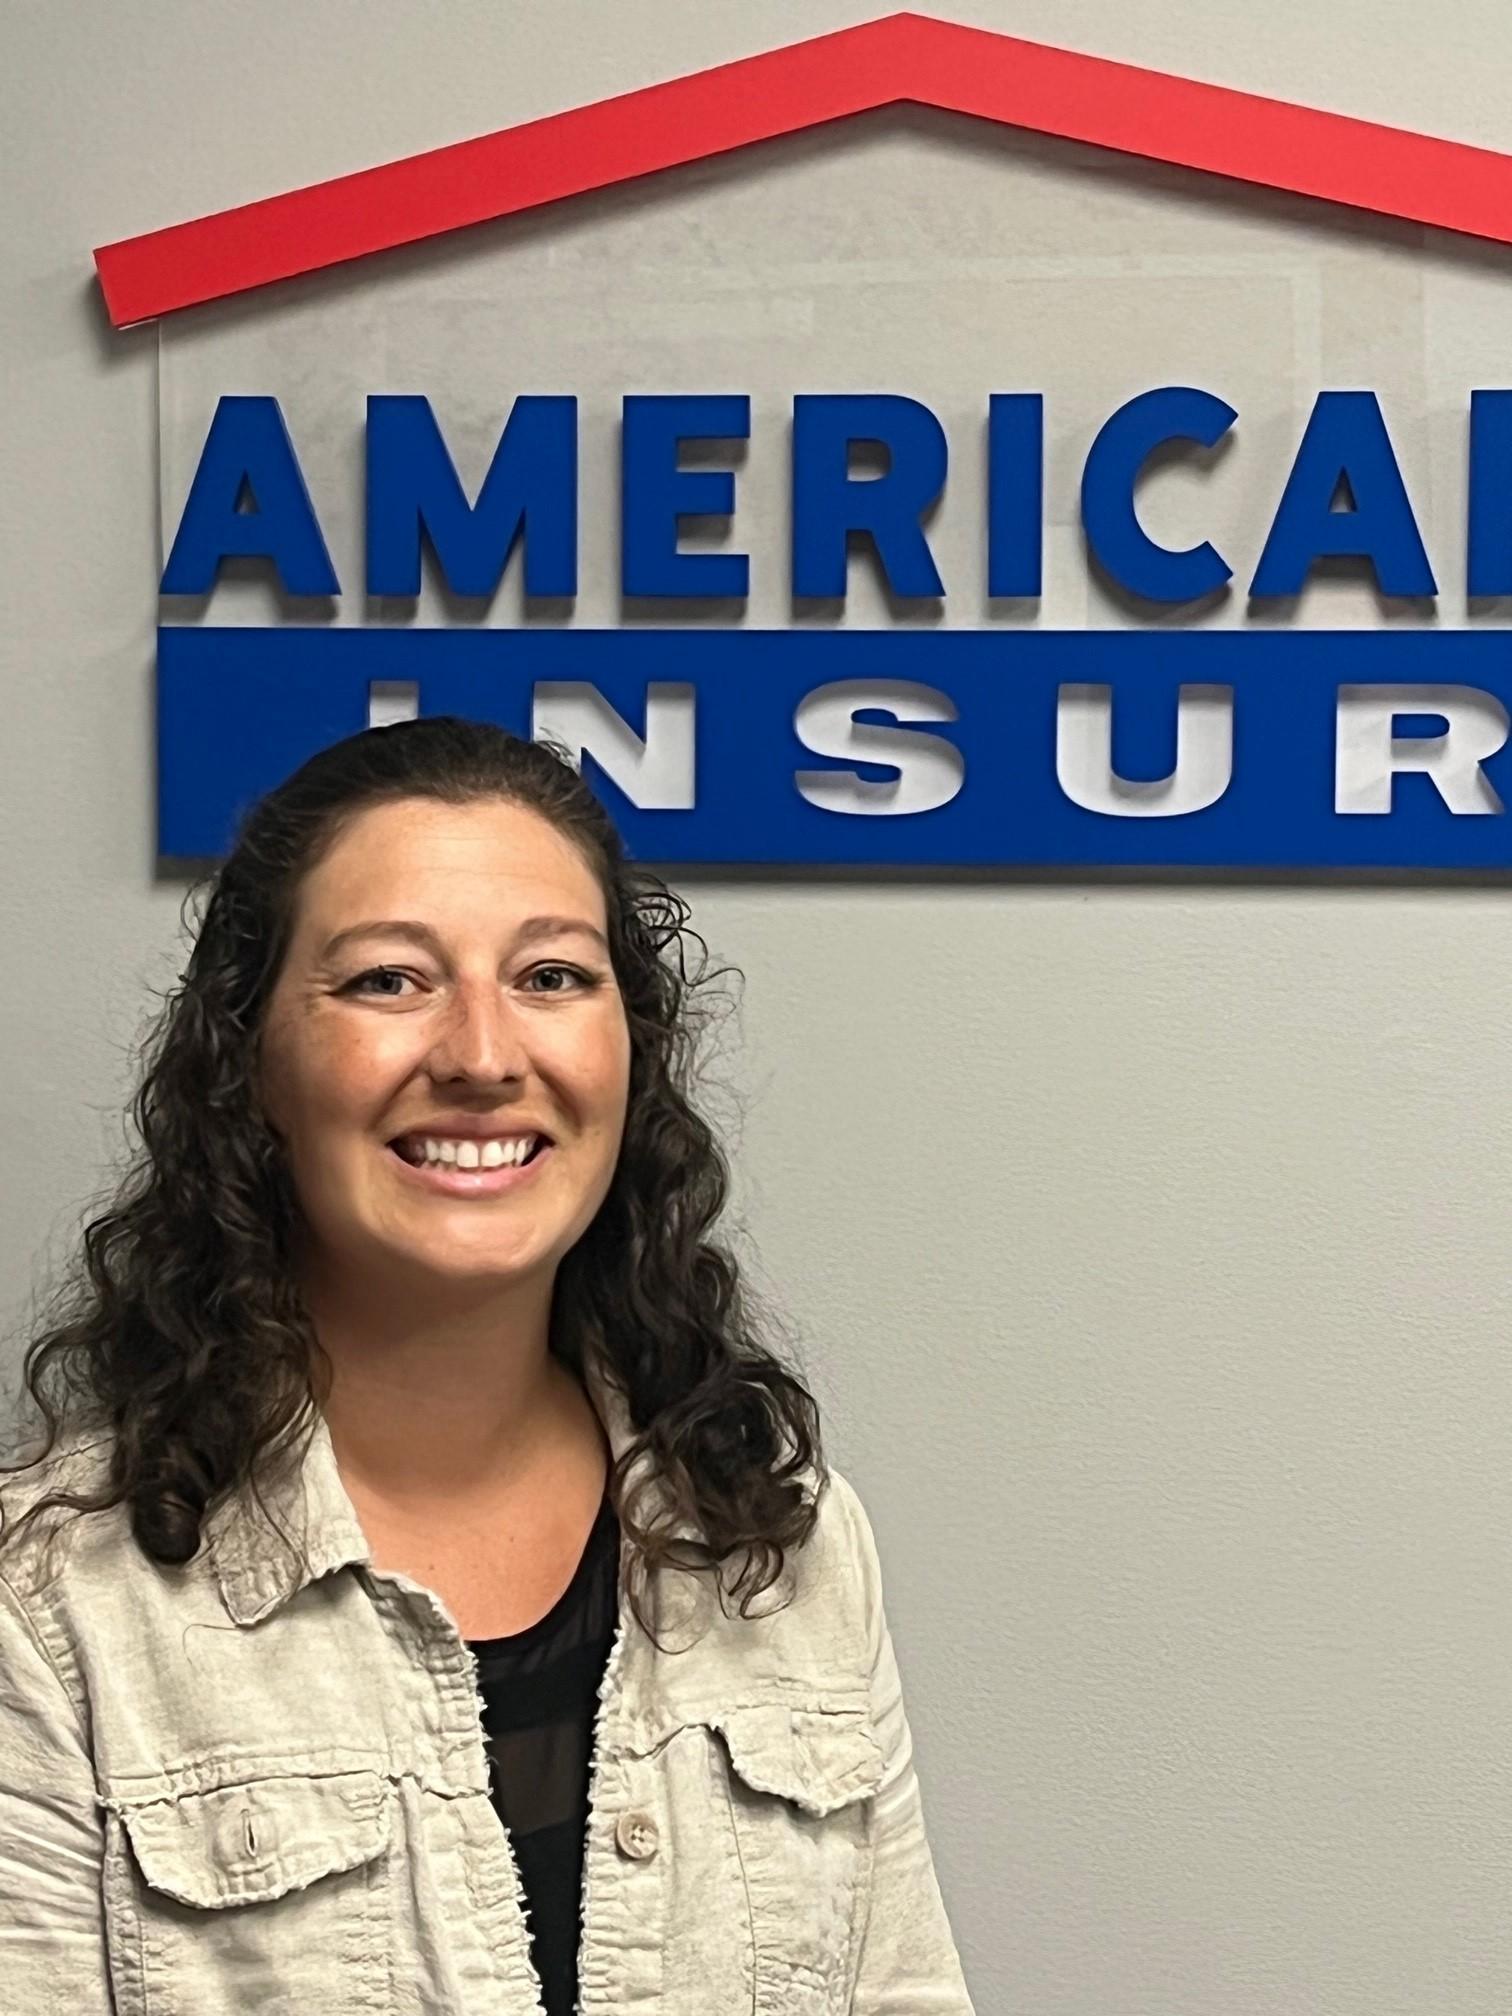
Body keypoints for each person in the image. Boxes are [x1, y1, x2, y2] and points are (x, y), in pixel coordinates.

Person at [0, 714, 975, 2015]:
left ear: (629, 1050)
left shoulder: (782, 1535)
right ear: (253, 1067)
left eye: (553, 978)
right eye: (388, 981)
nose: (479, 1054)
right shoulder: (51, 1613)